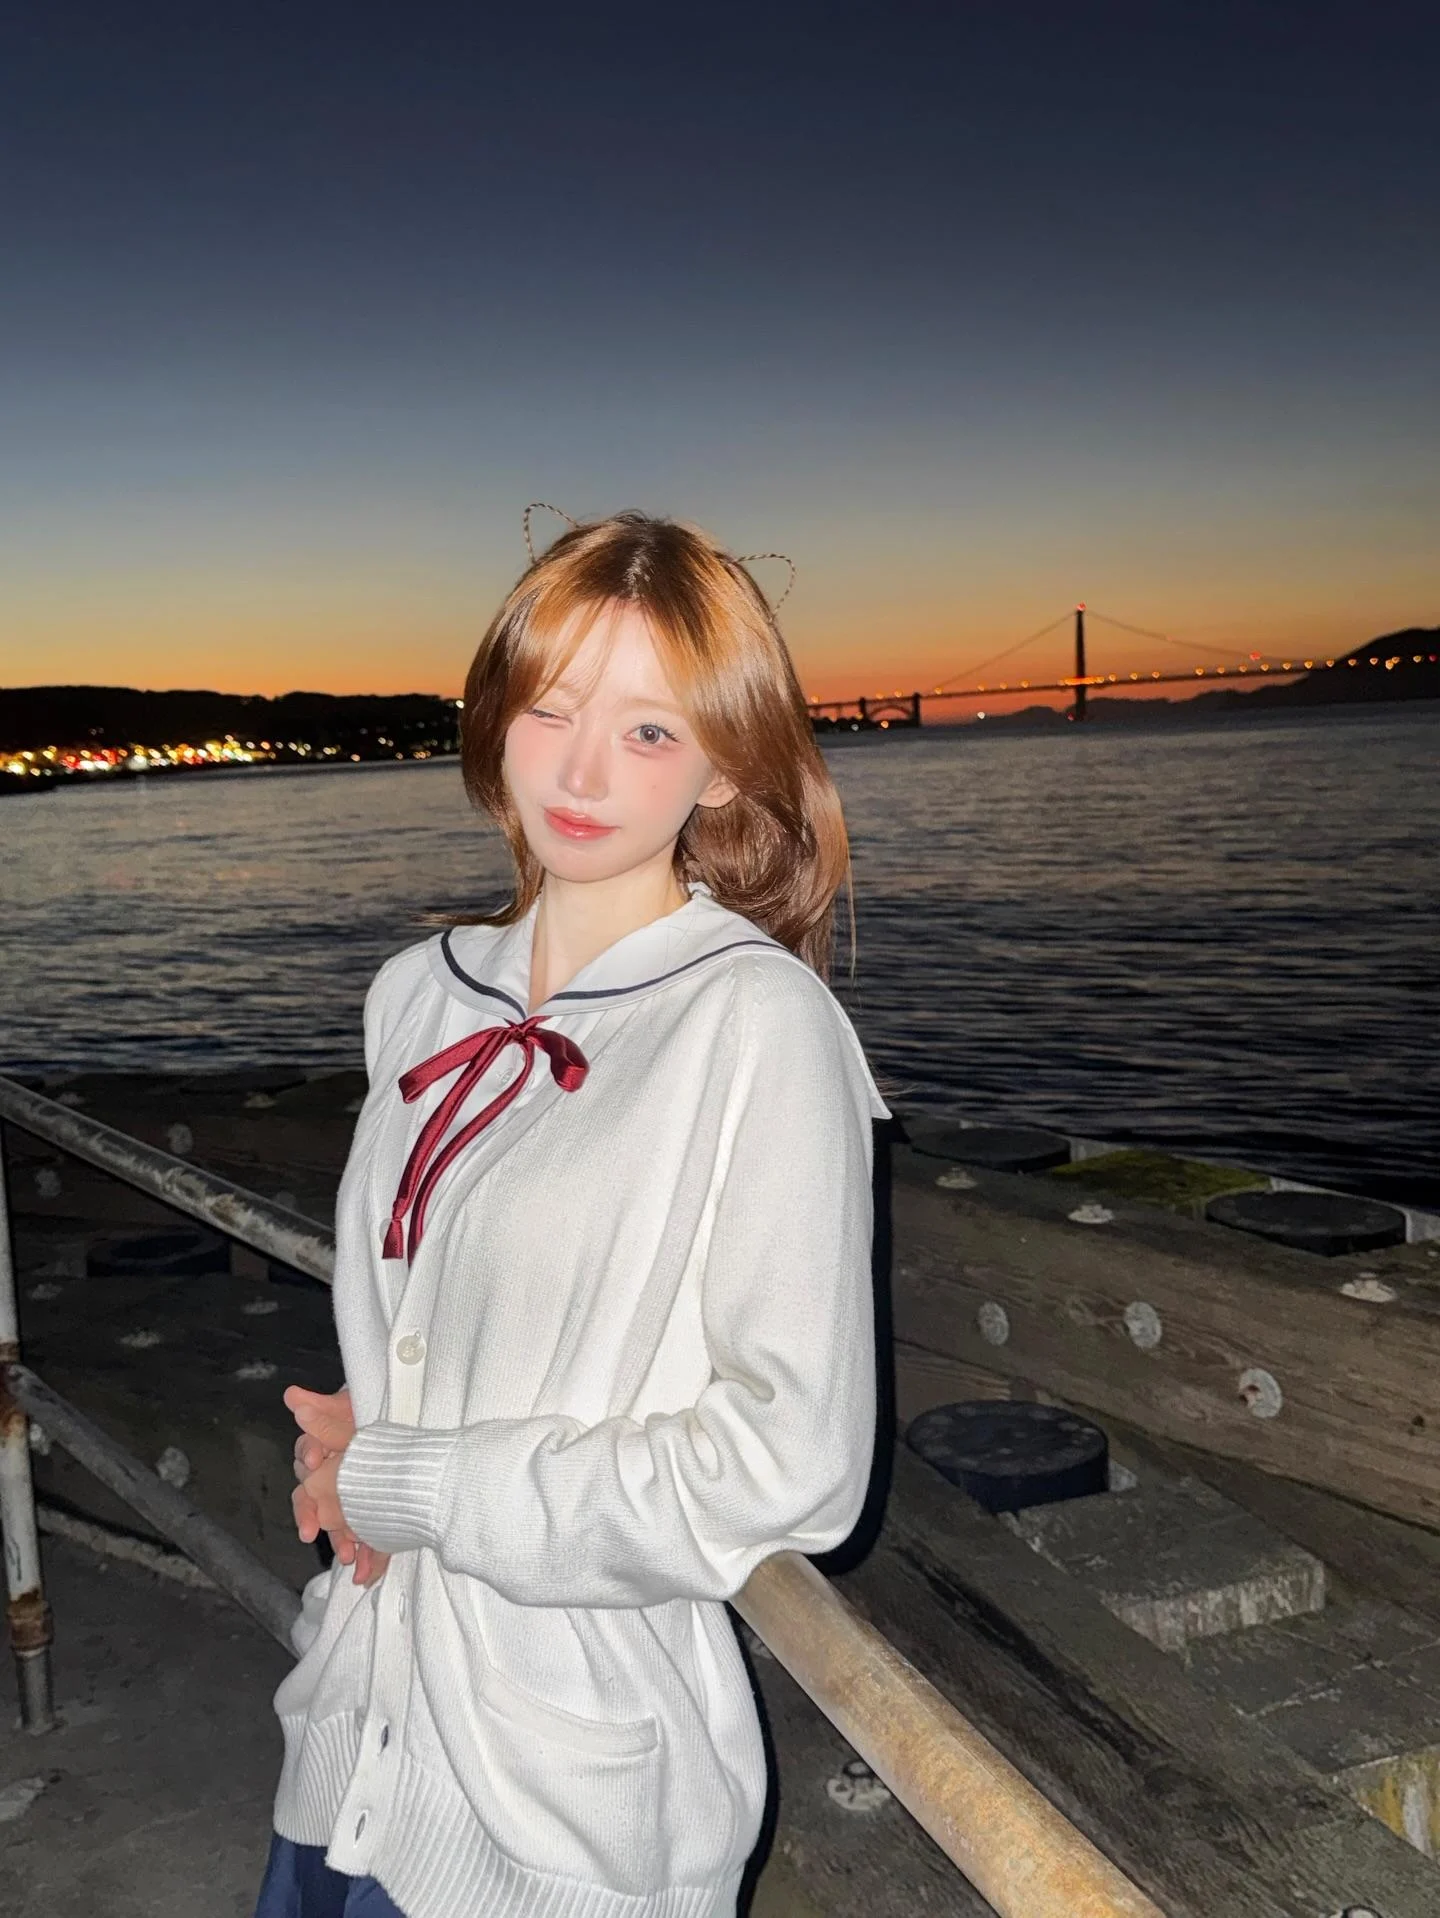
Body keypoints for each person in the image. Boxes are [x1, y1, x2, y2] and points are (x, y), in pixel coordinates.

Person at [255, 509, 889, 1918]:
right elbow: (446, 1315)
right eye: (550, 708)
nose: (583, 771)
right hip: (350, 1730)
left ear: (725, 761)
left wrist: (409, 1478)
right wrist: (372, 1421)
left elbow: (794, 1467)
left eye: (651, 731)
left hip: (563, 1808)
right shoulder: (417, 994)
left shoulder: (756, 1025)